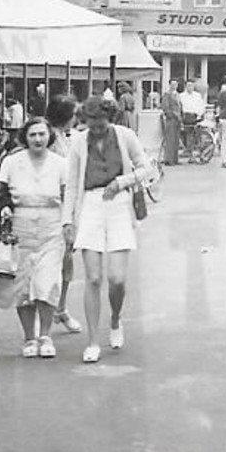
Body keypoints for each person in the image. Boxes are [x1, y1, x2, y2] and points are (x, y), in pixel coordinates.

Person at [65, 95, 159, 364]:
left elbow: (147, 169)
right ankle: (93, 341)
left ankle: (116, 318)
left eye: (100, 125)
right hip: (90, 206)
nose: (95, 130)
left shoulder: (125, 136)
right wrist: (67, 221)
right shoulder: (78, 143)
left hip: (119, 205)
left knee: (117, 278)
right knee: (93, 278)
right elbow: (72, 184)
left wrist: (121, 181)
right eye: (91, 124)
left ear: (111, 119)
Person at [0, 117, 70, 359]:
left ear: (49, 137)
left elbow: (68, 196)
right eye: (32, 135)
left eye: (42, 134)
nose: (37, 139)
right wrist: (4, 208)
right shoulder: (12, 162)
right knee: (23, 286)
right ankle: (29, 338)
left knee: (47, 282)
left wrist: (69, 226)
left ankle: (45, 335)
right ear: (25, 137)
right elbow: (0, 193)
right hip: (19, 227)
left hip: (51, 226)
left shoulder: (60, 164)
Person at [45, 95, 84, 338]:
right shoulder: (45, 136)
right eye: (73, 115)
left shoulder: (74, 136)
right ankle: (46, 311)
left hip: (70, 204)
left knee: (66, 258)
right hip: (48, 202)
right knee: (46, 260)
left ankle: (61, 307)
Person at [160, 80, 184, 167]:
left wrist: (181, 116)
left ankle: (175, 159)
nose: (174, 86)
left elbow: (180, 106)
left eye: (176, 84)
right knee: (170, 139)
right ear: (169, 85)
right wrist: (171, 115)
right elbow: (165, 107)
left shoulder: (177, 94)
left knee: (176, 140)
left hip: (178, 119)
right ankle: (168, 160)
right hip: (171, 119)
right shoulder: (167, 94)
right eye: (173, 84)